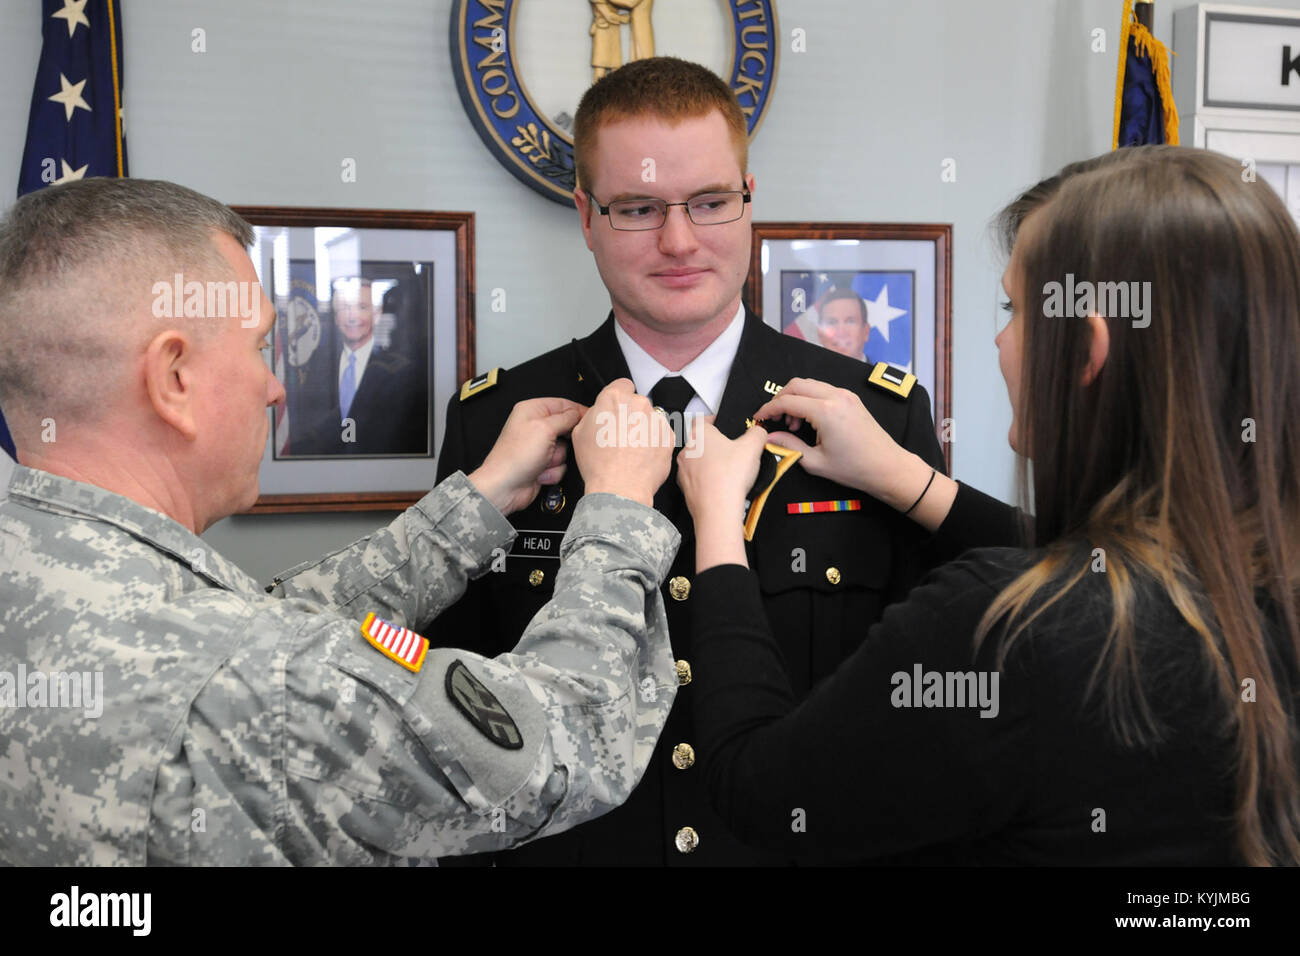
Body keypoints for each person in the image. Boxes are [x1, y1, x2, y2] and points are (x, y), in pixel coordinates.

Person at [0, 177, 682, 866]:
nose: (272, 387)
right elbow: (560, 744)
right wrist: (619, 506)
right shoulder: (260, 681)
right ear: (173, 378)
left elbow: (267, 621)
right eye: (259, 348)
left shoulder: (47, 571)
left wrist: (474, 506)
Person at [677, 144, 1300, 865]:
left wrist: (718, 525)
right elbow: (1116, 573)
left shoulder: (1004, 632)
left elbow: (759, 792)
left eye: (1014, 308)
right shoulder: (1259, 587)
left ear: (1086, 350)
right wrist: (906, 479)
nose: (1001, 340)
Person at [434, 56, 948, 866]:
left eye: (710, 202)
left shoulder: (874, 415)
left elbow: (922, 714)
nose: (679, 241)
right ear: (585, 215)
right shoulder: (495, 422)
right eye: (637, 208)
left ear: (748, 199)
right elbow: (450, 703)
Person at [295, 276, 429, 456]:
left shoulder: (402, 372)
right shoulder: (313, 368)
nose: (353, 317)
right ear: (335, 316)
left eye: (362, 307)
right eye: (344, 308)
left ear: (377, 314)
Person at [814, 286, 872, 361]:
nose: (841, 332)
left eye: (850, 321)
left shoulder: (885, 372)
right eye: (832, 322)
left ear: (866, 331)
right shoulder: (801, 372)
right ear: (820, 334)